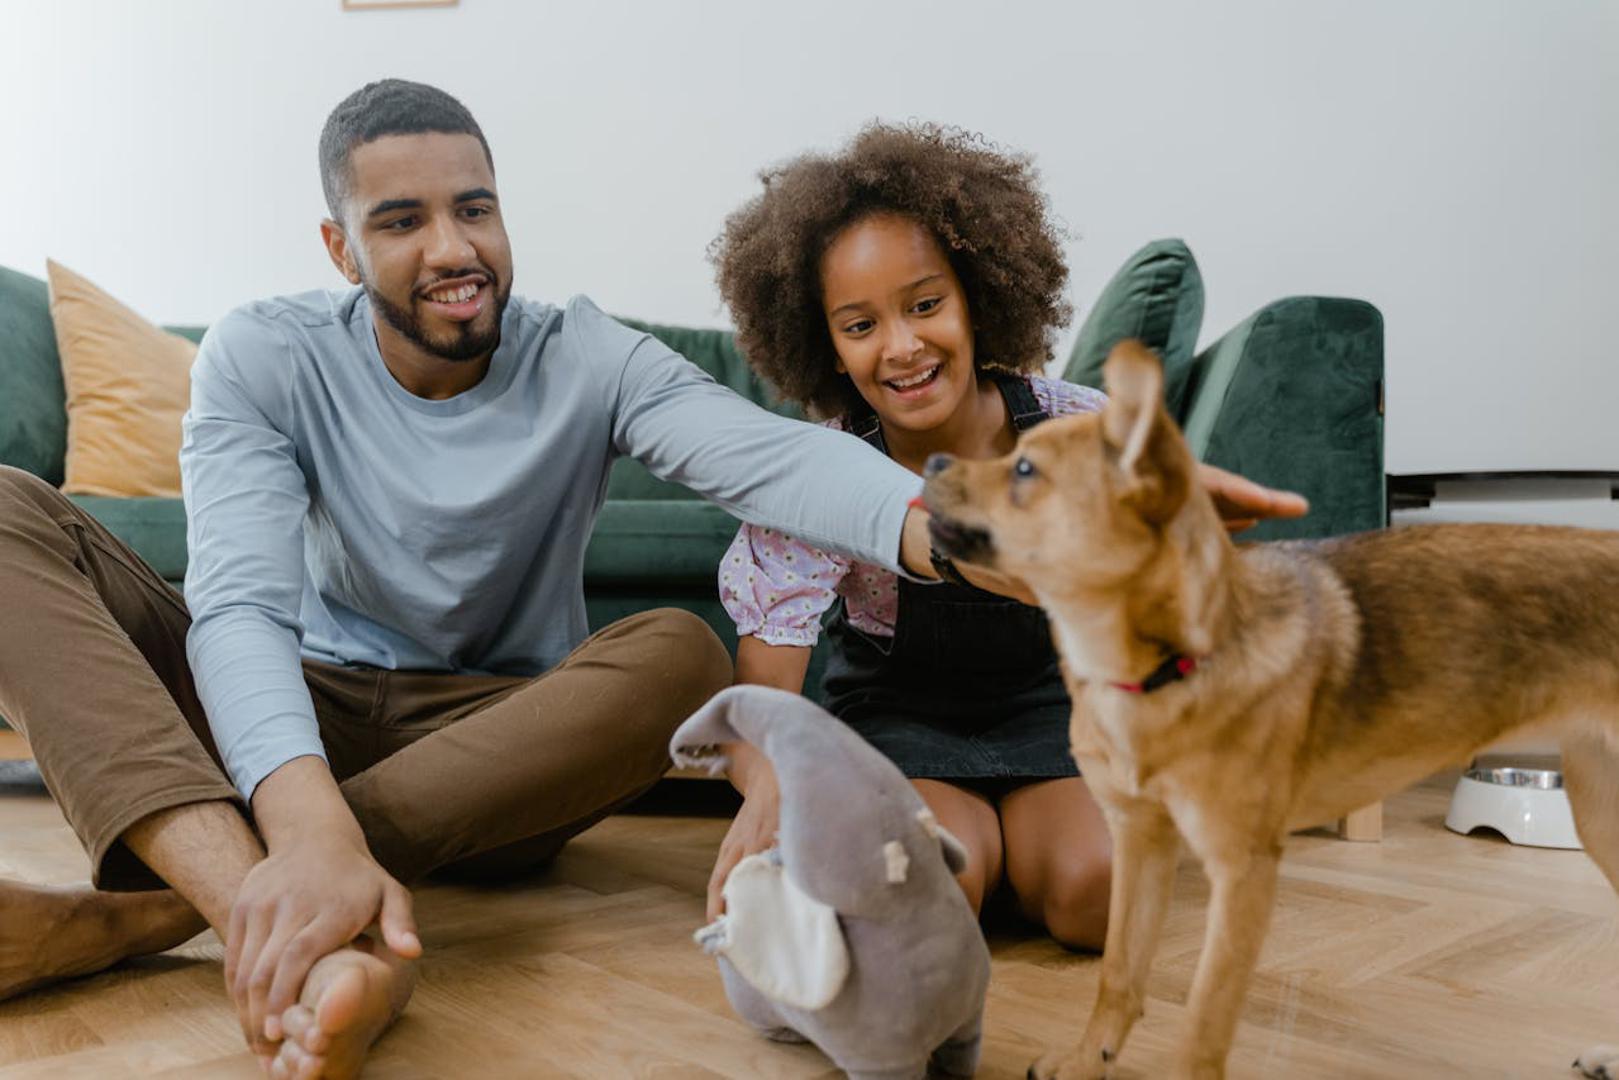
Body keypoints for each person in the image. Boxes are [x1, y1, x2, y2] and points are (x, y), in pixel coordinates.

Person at [0, 82, 1300, 1079]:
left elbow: (778, 465)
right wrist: (309, 826)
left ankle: (161, 910)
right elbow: (235, 608)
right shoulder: (261, 356)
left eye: (473, 207)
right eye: (399, 220)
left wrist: (972, 538)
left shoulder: (590, 357)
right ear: (340, 248)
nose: (450, 246)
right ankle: (273, 909)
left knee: (680, 659)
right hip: (293, 698)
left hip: (493, 739)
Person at [704, 123, 1305, 948]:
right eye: (859, 325)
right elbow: (766, 698)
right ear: (826, 350)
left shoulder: (1075, 425)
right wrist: (770, 791)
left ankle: (1031, 855)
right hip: (898, 717)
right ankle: (979, 862)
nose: (903, 347)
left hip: (1055, 709)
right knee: (934, 883)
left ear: (977, 299)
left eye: (925, 305)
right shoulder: (819, 475)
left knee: (1098, 896)